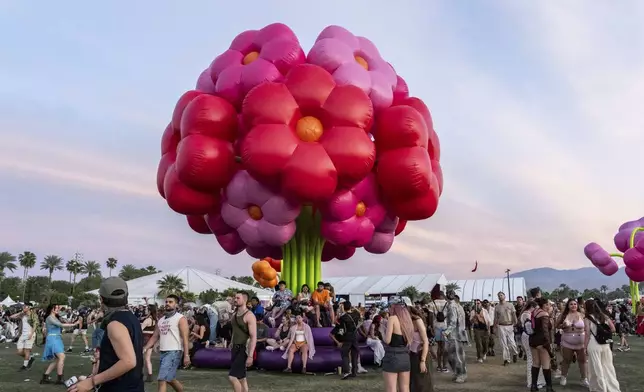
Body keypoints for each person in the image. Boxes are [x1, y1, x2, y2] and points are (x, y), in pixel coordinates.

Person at [68, 277, 144, 392]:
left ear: (101, 299)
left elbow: (128, 361)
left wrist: (92, 381)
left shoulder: (115, 323)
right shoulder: (131, 318)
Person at [584, 299, 620, 392]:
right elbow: (613, 329)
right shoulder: (604, 316)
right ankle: (613, 388)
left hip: (593, 343)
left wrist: (584, 347)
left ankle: (599, 389)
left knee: (596, 368)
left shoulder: (587, 318)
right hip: (605, 344)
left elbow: (587, 334)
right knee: (608, 367)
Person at [41, 304, 80, 385]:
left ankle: (45, 377)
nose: (58, 309)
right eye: (57, 308)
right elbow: (61, 325)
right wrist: (74, 324)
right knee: (62, 357)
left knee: (57, 359)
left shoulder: (55, 317)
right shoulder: (50, 318)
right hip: (53, 339)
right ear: (52, 309)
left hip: (57, 339)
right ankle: (59, 379)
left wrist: (70, 317)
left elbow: (63, 316)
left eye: (58, 308)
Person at [382, 297, 413, 392]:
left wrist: (382, 331)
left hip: (392, 356)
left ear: (393, 306)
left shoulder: (392, 318)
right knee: (405, 388)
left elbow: (387, 340)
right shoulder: (408, 319)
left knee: (391, 388)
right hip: (405, 356)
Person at [556, 299, 588, 387]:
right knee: (566, 360)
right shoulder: (563, 315)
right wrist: (563, 326)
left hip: (580, 342)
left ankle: (584, 379)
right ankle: (563, 377)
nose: (573, 306)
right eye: (571, 304)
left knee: (583, 360)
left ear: (577, 305)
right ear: (568, 306)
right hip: (567, 341)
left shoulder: (582, 315)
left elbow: (587, 327)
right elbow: (556, 325)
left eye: (575, 304)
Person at [229, 291, 257, 392]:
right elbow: (234, 330)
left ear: (244, 300)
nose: (235, 300)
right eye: (235, 298)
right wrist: (231, 342)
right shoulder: (234, 315)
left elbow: (254, 337)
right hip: (235, 348)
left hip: (243, 349)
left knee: (232, 377)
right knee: (241, 378)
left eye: (238, 298)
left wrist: (250, 356)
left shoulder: (249, 315)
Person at [529, 298, 555, 392]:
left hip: (533, 341)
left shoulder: (534, 312)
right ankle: (549, 387)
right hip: (542, 342)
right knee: (546, 365)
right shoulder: (544, 314)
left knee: (536, 363)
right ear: (545, 305)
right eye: (548, 304)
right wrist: (548, 344)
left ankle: (533, 386)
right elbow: (545, 331)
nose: (550, 306)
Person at [521, 301, 545, 389]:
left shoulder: (528, 314)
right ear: (532, 306)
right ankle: (531, 382)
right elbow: (530, 329)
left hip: (529, 336)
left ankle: (538, 381)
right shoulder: (526, 315)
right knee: (531, 359)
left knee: (535, 359)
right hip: (529, 336)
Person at [409, 307, 432, 392]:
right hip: (411, 354)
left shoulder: (418, 321)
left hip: (420, 354)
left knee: (422, 383)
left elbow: (425, 341)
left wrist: (422, 360)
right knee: (413, 382)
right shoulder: (405, 321)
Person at [337, 301, 361, 380]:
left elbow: (341, 330)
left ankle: (347, 371)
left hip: (347, 337)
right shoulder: (356, 314)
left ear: (344, 307)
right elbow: (360, 313)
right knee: (354, 355)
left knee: (344, 354)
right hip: (354, 337)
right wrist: (354, 308)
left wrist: (340, 339)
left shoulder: (343, 317)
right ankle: (354, 372)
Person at [11, 302, 39, 371]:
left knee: (27, 351)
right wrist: (21, 312)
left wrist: (31, 334)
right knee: (19, 352)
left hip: (30, 334)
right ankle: (30, 358)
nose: (23, 307)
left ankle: (25, 366)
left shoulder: (33, 315)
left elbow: (35, 325)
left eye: (25, 306)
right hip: (23, 335)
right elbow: (12, 316)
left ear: (29, 307)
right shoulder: (23, 315)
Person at [494, 292, 519, 365]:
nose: (500, 297)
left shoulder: (510, 305)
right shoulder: (497, 307)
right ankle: (506, 359)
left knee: (512, 342)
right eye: (499, 296)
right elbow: (495, 318)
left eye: (501, 295)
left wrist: (515, 324)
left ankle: (515, 353)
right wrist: (494, 327)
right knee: (503, 344)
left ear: (504, 296)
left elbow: (514, 314)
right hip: (501, 326)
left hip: (510, 325)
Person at [141, 305, 158, 382]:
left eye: (147, 309)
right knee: (148, 359)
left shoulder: (148, 320)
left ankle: (140, 374)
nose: (145, 311)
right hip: (151, 340)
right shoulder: (155, 320)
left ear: (150, 311)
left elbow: (140, 329)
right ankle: (149, 376)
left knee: (140, 358)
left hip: (145, 340)